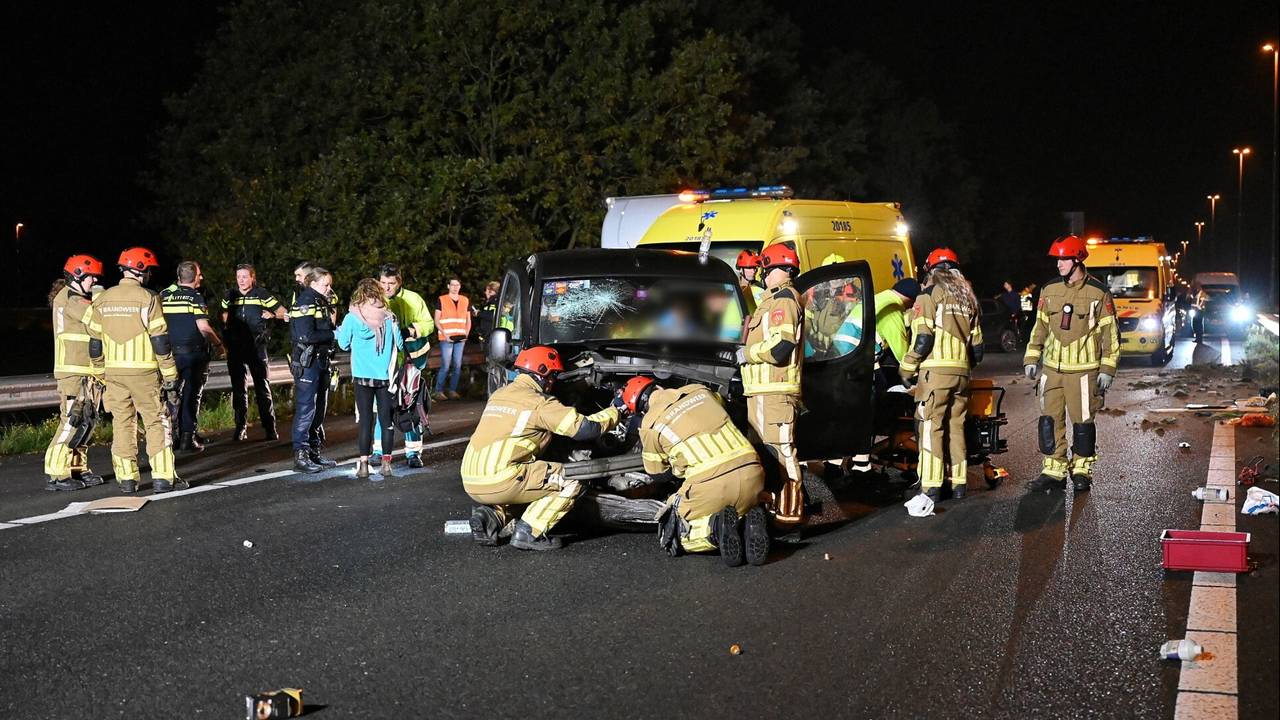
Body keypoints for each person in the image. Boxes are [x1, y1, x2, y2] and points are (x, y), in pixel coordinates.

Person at [463, 345, 620, 551]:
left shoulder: (500, 394)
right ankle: (530, 532)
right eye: (553, 376)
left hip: (471, 479)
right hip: (502, 479)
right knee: (575, 477)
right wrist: (617, 411)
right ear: (543, 373)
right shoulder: (539, 402)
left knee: (531, 482)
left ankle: (491, 517)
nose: (553, 382)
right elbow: (585, 429)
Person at [622, 376, 770, 566]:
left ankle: (715, 529)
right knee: (741, 504)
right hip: (753, 471)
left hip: (711, 486)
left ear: (640, 410)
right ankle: (751, 521)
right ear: (658, 385)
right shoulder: (700, 390)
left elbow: (657, 474)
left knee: (675, 531)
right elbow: (735, 413)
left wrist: (678, 467)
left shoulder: (649, 426)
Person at [1023, 235, 1119, 493]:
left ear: (1077, 259)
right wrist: (1032, 357)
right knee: (1049, 420)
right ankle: (1053, 470)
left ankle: (1081, 470)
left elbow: (1110, 334)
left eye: (1064, 259)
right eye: (1057, 259)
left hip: (1084, 371)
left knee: (1083, 423)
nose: (1059, 264)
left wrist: (1107, 369)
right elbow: (1040, 327)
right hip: (1052, 370)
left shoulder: (1098, 293)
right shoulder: (1049, 289)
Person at [86, 247, 185, 494]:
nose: (150, 274)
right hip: (145, 374)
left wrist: (99, 373)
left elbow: (95, 343)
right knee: (156, 422)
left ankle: (127, 480)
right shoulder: (148, 298)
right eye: (148, 270)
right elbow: (160, 342)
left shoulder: (103, 300)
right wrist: (171, 376)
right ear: (141, 270)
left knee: (122, 423)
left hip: (114, 374)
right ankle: (163, 478)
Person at [899, 248, 983, 501]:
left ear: (931, 271)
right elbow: (977, 349)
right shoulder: (969, 299)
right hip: (962, 374)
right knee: (956, 426)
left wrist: (907, 367)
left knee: (930, 428)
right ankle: (959, 484)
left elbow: (923, 339)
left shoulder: (928, 295)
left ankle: (931, 486)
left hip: (935, 373)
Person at [735, 243, 804, 527]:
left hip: (775, 393)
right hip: (761, 394)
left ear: (780, 270)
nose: (763, 274)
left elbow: (781, 347)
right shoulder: (770, 300)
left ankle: (790, 516)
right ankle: (773, 510)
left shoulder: (784, 301)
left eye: (767, 269)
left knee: (782, 454)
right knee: (765, 455)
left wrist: (748, 354)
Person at [43, 254, 108, 491]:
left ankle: (77, 468)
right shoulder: (71, 298)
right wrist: (101, 296)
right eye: (92, 278)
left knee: (87, 422)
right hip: (73, 372)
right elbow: (98, 321)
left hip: (88, 372)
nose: (95, 282)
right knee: (71, 421)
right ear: (78, 275)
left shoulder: (78, 297)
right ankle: (56, 473)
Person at [337, 278, 404, 479]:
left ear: (360, 294)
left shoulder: (352, 317)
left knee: (366, 421)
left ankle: (364, 465)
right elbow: (400, 344)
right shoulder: (389, 317)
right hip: (385, 378)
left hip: (362, 377)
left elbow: (342, 344)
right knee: (386, 421)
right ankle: (386, 465)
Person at [373, 264, 435, 468]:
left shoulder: (413, 299)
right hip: (384, 362)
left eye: (391, 283)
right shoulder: (374, 300)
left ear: (399, 282)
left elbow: (429, 324)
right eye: (383, 283)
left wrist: (410, 331)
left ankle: (413, 453)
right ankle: (378, 451)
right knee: (382, 406)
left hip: (412, 359)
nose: (386, 287)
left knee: (409, 406)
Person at [161, 261, 224, 453]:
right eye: (200, 275)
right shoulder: (195, 297)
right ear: (195, 277)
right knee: (191, 395)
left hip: (168, 354)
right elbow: (203, 327)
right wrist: (219, 345)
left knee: (169, 396)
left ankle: (169, 437)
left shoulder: (164, 295)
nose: (202, 278)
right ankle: (188, 437)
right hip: (193, 354)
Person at [221, 263, 286, 441]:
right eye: (238, 276)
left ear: (252, 277)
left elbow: (283, 312)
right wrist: (227, 333)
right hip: (236, 347)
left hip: (257, 347)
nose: (241, 280)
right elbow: (224, 314)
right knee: (238, 389)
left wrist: (272, 315)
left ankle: (270, 428)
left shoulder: (261, 294)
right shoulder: (230, 295)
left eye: (244, 276)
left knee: (262, 388)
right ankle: (240, 428)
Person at [289, 266, 338, 473]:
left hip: (321, 360)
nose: (329, 289)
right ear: (314, 283)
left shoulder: (320, 301)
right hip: (308, 363)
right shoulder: (305, 302)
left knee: (319, 409)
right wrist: (333, 335)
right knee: (306, 409)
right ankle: (301, 455)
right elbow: (306, 335)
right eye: (326, 285)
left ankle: (314, 452)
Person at [433, 277, 471, 401]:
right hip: (446, 337)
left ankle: (452, 390)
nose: (455, 287)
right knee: (446, 365)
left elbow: (468, 319)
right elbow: (437, 320)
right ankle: (438, 391)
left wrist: (466, 333)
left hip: (461, 337)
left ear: (460, 286)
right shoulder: (442, 299)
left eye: (457, 285)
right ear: (448, 286)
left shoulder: (465, 300)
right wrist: (445, 334)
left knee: (457, 365)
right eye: (453, 285)